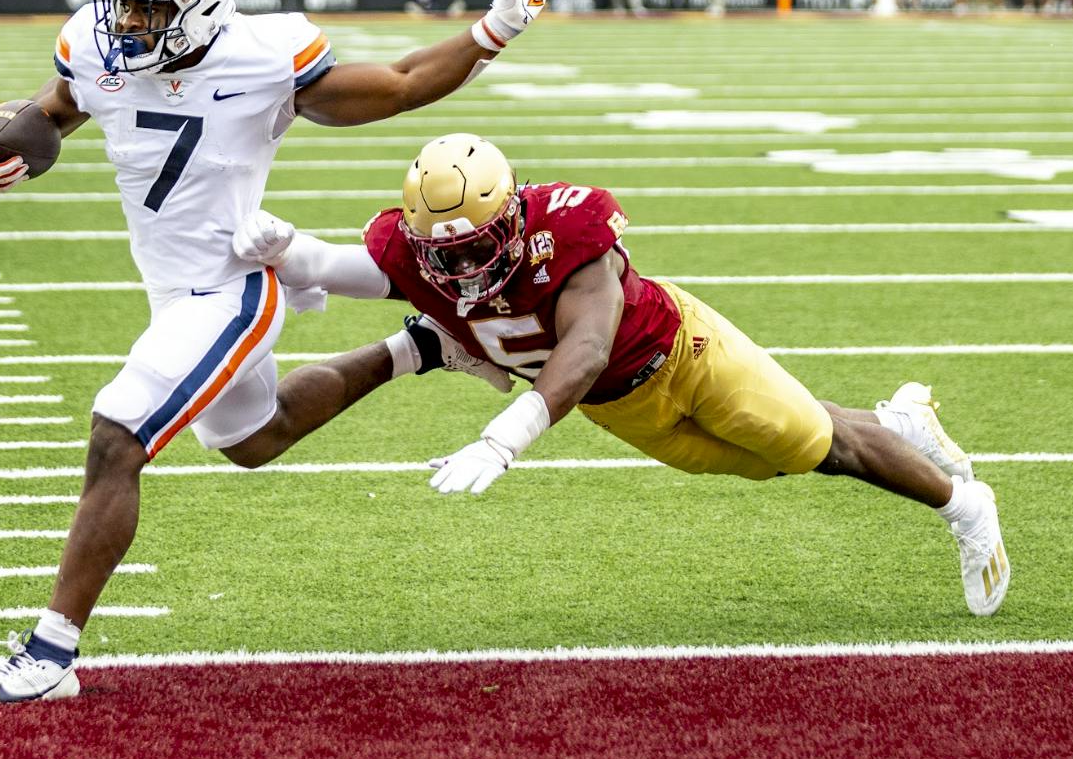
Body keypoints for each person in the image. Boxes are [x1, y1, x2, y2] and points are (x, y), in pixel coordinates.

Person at [0, 0, 563, 705]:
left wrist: (494, 28)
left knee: (116, 433)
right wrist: (1, 143)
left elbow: (401, 85)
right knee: (252, 438)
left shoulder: (266, 57)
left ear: (203, 3)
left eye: (148, 9)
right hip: (168, 287)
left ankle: (47, 655)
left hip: (228, 285)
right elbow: (63, 104)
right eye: (121, 4)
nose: (126, 24)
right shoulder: (101, 45)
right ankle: (420, 348)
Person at [225, 133, 1009, 616]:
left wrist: (502, 441)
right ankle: (898, 424)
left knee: (811, 446)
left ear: (512, 216)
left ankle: (966, 507)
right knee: (777, 461)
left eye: (474, 246)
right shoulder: (413, 252)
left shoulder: (568, 228)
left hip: (683, 355)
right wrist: (276, 245)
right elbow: (326, 264)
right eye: (444, 255)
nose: (460, 266)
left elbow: (586, 347)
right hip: (617, 411)